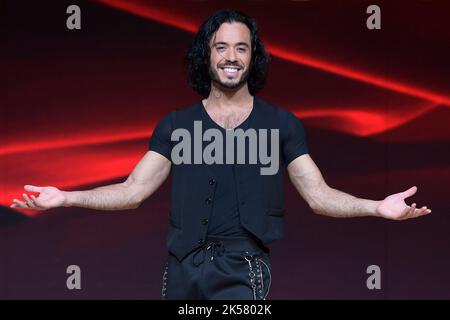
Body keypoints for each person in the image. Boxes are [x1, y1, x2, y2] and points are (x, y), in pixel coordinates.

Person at [10, 9, 431, 300]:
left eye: (242, 48)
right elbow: (133, 191)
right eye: (221, 47)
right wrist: (66, 197)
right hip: (181, 270)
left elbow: (319, 197)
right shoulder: (175, 126)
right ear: (207, 56)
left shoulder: (281, 124)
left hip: (243, 271)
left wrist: (377, 207)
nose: (231, 56)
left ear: (253, 57)